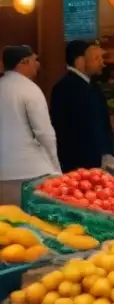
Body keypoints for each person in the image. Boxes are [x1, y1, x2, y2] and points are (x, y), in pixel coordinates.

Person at [0, 45, 60, 205]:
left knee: (5, 223)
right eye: (35, 60)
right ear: (24, 62)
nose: (38, 64)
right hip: (29, 172)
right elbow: (44, 133)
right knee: (30, 223)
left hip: (3, 173)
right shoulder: (29, 89)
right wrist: (56, 167)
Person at [50, 40, 114, 172]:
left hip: (96, 162)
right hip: (79, 166)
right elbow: (64, 129)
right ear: (80, 61)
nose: (102, 63)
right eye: (96, 58)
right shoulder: (65, 88)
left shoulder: (91, 85)